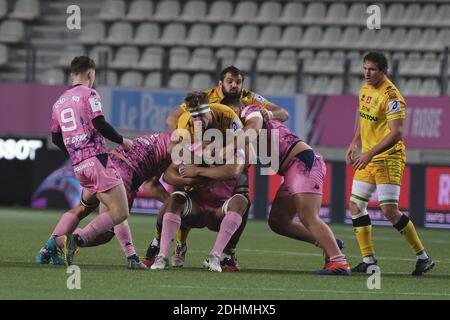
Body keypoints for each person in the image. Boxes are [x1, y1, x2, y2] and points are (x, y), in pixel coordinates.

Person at [225, 95, 351, 275]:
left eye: (230, 111)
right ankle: (328, 242)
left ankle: (339, 264)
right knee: (278, 222)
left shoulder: (250, 111)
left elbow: (254, 128)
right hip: (291, 170)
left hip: (302, 162)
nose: (230, 116)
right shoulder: (239, 128)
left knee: (308, 216)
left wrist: (226, 147)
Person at [346, 52, 435, 276]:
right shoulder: (365, 89)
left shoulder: (393, 97)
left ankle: (423, 258)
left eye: (372, 69)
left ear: (384, 71)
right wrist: (354, 143)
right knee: (356, 206)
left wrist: (369, 154)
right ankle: (368, 260)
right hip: (368, 155)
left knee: (389, 210)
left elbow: (396, 134)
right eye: (365, 68)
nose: (367, 73)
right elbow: (363, 117)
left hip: (389, 156)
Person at [36, 132, 175, 269]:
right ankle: (62, 242)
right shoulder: (181, 146)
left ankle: (47, 249)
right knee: (114, 220)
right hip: (124, 171)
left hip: (103, 163)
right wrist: (176, 204)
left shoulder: (165, 139)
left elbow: (150, 184)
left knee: (82, 208)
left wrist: (172, 203)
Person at [144, 92, 248, 271]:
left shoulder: (230, 139)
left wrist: (199, 171)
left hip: (219, 210)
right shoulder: (190, 141)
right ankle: (162, 255)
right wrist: (190, 178)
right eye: (195, 119)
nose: (199, 123)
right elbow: (169, 174)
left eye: (202, 116)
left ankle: (217, 256)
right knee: (175, 197)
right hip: (196, 209)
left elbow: (234, 170)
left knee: (242, 200)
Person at [46, 56, 133, 266]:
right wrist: (123, 141)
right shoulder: (90, 94)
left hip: (79, 166)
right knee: (120, 212)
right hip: (97, 162)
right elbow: (98, 122)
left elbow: (56, 138)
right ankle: (75, 239)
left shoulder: (59, 102)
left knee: (84, 207)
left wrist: (76, 154)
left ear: (72, 73)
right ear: (90, 74)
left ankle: (47, 248)